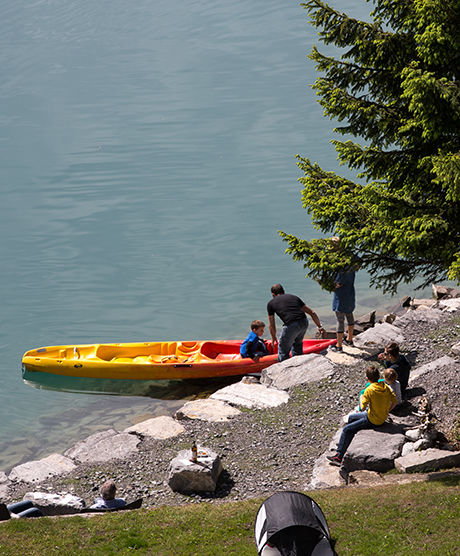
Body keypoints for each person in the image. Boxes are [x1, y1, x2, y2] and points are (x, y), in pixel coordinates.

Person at [327, 366, 397, 466]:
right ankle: (343, 442)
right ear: (378, 376)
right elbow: (395, 401)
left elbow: (362, 408)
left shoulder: (370, 390)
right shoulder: (385, 386)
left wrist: (361, 396)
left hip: (373, 420)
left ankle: (338, 457)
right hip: (381, 416)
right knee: (351, 418)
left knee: (347, 429)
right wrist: (386, 411)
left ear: (367, 378)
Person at [267, 284, 325, 362]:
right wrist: (320, 327)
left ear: (273, 294)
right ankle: (299, 366)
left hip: (291, 325)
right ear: (283, 291)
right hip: (304, 322)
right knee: (297, 345)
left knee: (283, 351)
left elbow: (272, 324)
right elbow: (312, 312)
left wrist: (273, 338)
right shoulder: (294, 297)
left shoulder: (271, 303)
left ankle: (284, 371)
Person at [331, 266, 356, 352]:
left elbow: (338, 284)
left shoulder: (341, 270)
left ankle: (339, 346)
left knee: (340, 320)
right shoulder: (351, 269)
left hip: (341, 297)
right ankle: (350, 340)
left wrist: (326, 284)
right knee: (350, 316)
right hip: (350, 294)